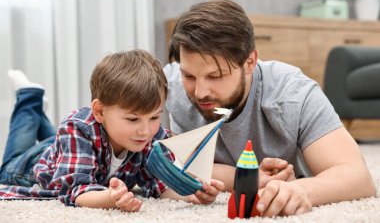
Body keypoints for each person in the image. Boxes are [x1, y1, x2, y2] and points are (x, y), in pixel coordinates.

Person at [164, 0, 376, 216]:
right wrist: (246, 176)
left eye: (215, 76)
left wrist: (301, 190)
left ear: (250, 62)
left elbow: (358, 178)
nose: (199, 92)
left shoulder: (293, 94)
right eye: (189, 75)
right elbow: (168, 163)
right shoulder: (169, 85)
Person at [0, 50, 224, 212]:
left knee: (56, 139)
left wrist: (194, 193)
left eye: (155, 116)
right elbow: (75, 191)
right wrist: (109, 198)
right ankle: (29, 95)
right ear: (99, 110)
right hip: (28, 168)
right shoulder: (76, 129)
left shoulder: (152, 137)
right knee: (8, 164)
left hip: (69, 150)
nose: (145, 130)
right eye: (133, 118)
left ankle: (38, 111)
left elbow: (160, 185)